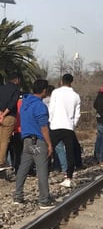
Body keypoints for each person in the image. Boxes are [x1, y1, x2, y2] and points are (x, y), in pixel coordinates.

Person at [14, 79, 55, 209]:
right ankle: (44, 200)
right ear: (44, 90)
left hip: (26, 141)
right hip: (38, 141)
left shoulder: (25, 102)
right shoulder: (40, 106)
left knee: (23, 169)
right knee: (42, 170)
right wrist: (49, 144)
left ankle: (18, 196)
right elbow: (43, 127)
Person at [49, 73, 81, 188]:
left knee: (49, 148)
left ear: (62, 81)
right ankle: (68, 177)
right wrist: (73, 125)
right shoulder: (76, 96)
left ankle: (44, 172)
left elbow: (51, 109)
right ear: (71, 82)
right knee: (70, 152)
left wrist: (50, 121)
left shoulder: (55, 92)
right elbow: (77, 115)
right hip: (68, 127)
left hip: (55, 126)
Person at [0, 72, 21, 171]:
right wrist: (4, 114)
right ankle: (1, 162)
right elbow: (12, 104)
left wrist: (0, 113)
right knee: (5, 140)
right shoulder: (16, 90)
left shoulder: (2, 88)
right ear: (17, 80)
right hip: (9, 117)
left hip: (0, 115)